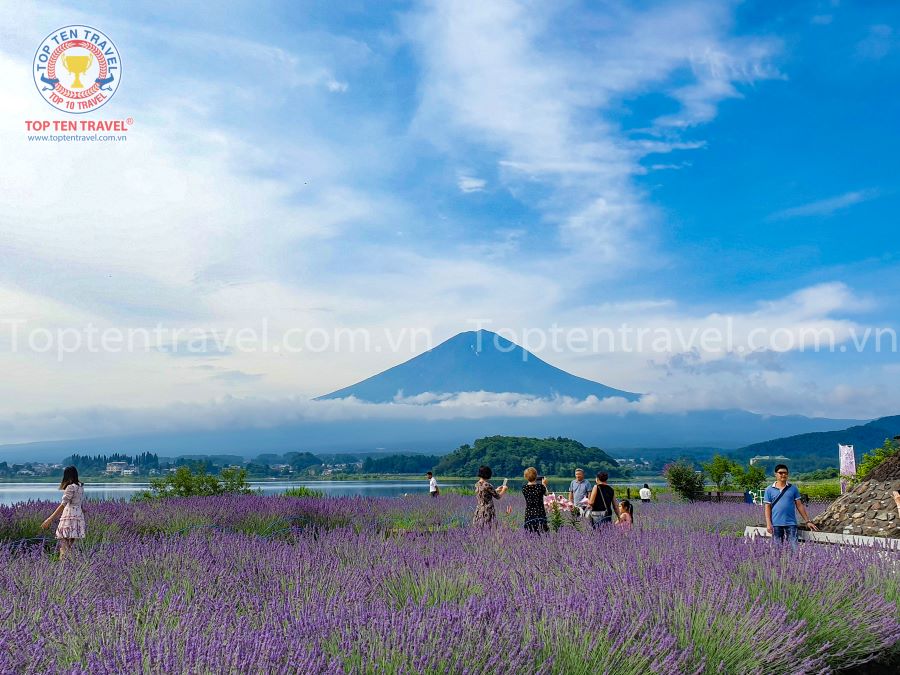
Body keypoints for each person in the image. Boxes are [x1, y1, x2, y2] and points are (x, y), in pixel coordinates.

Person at [764, 464, 818, 550]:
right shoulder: (769, 489)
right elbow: (767, 508)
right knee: (777, 550)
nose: (783, 475)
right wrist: (768, 523)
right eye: (780, 473)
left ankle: (794, 563)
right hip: (776, 524)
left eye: (785, 473)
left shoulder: (793, 489)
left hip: (791, 523)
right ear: (775, 474)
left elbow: (799, 505)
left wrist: (807, 521)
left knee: (794, 549)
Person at [40, 465, 85, 559]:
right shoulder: (80, 487)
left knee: (63, 544)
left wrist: (49, 519)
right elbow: (79, 503)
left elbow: (63, 505)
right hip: (78, 516)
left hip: (69, 516)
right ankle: (69, 566)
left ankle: (62, 567)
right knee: (69, 545)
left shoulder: (70, 487)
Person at [522, 467, 549, 532]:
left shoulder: (524, 488)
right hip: (540, 513)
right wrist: (544, 484)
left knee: (530, 533)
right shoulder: (540, 487)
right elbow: (546, 494)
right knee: (542, 532)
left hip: (529, 514)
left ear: (525, 477)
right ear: (536, 476)